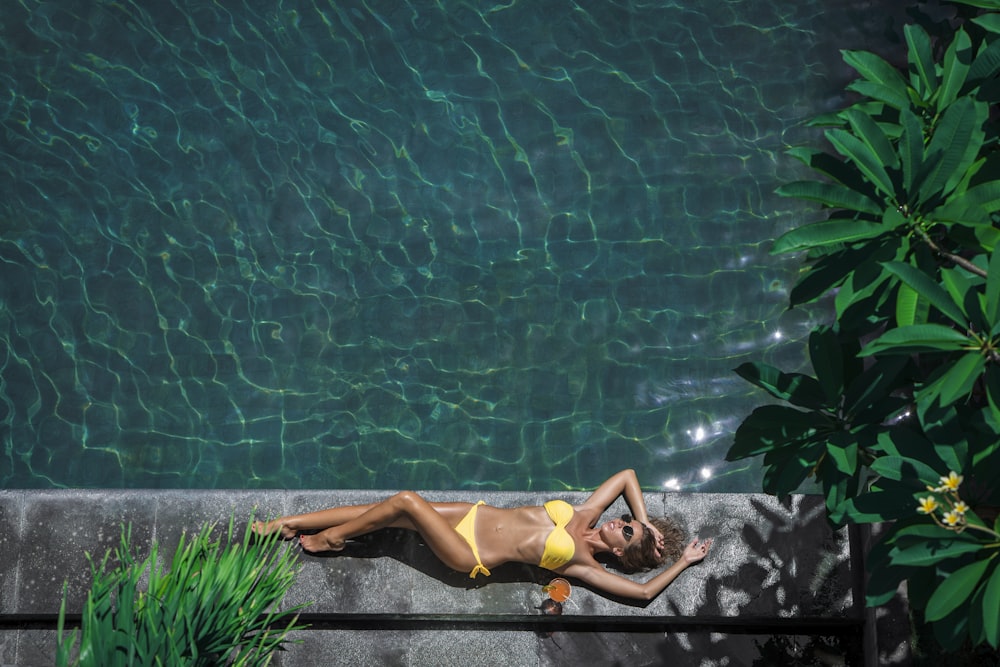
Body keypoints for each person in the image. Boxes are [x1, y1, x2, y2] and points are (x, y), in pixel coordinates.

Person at [253, 469, 712, 600]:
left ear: (620, 552)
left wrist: (684, 562)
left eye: (626, 531)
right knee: (385, 511)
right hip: (472, 514)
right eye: (625, 521)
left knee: (406, 503)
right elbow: (628, 475)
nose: (619, 521)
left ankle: (332, 540)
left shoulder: (583, 566)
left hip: (469, 550)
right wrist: (648, 522)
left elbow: (645, 592)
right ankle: (289, 524)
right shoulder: (589, 513)